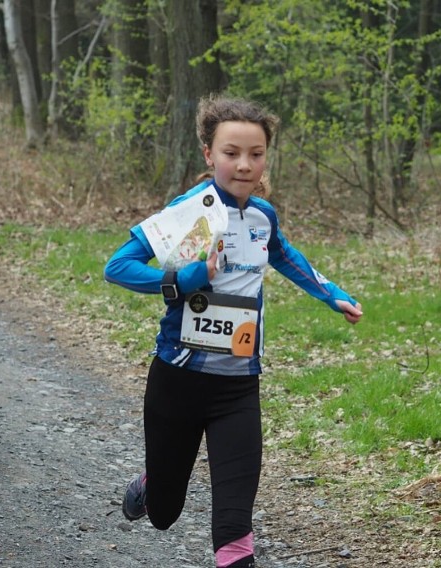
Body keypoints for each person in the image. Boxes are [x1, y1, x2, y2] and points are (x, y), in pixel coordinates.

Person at [103, 95, 363, 568]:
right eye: (231, 153)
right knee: (164, 513)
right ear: (208, 153)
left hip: (239, 385)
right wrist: (181, 279)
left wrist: (332, 295)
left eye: (256, 153)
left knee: (235, 519)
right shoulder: (190, 211)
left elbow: (284, 255)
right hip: (177, 381)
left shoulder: (263, 215)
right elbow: (117, 266)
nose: (245, 165)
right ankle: (151, 483)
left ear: (266, 156)